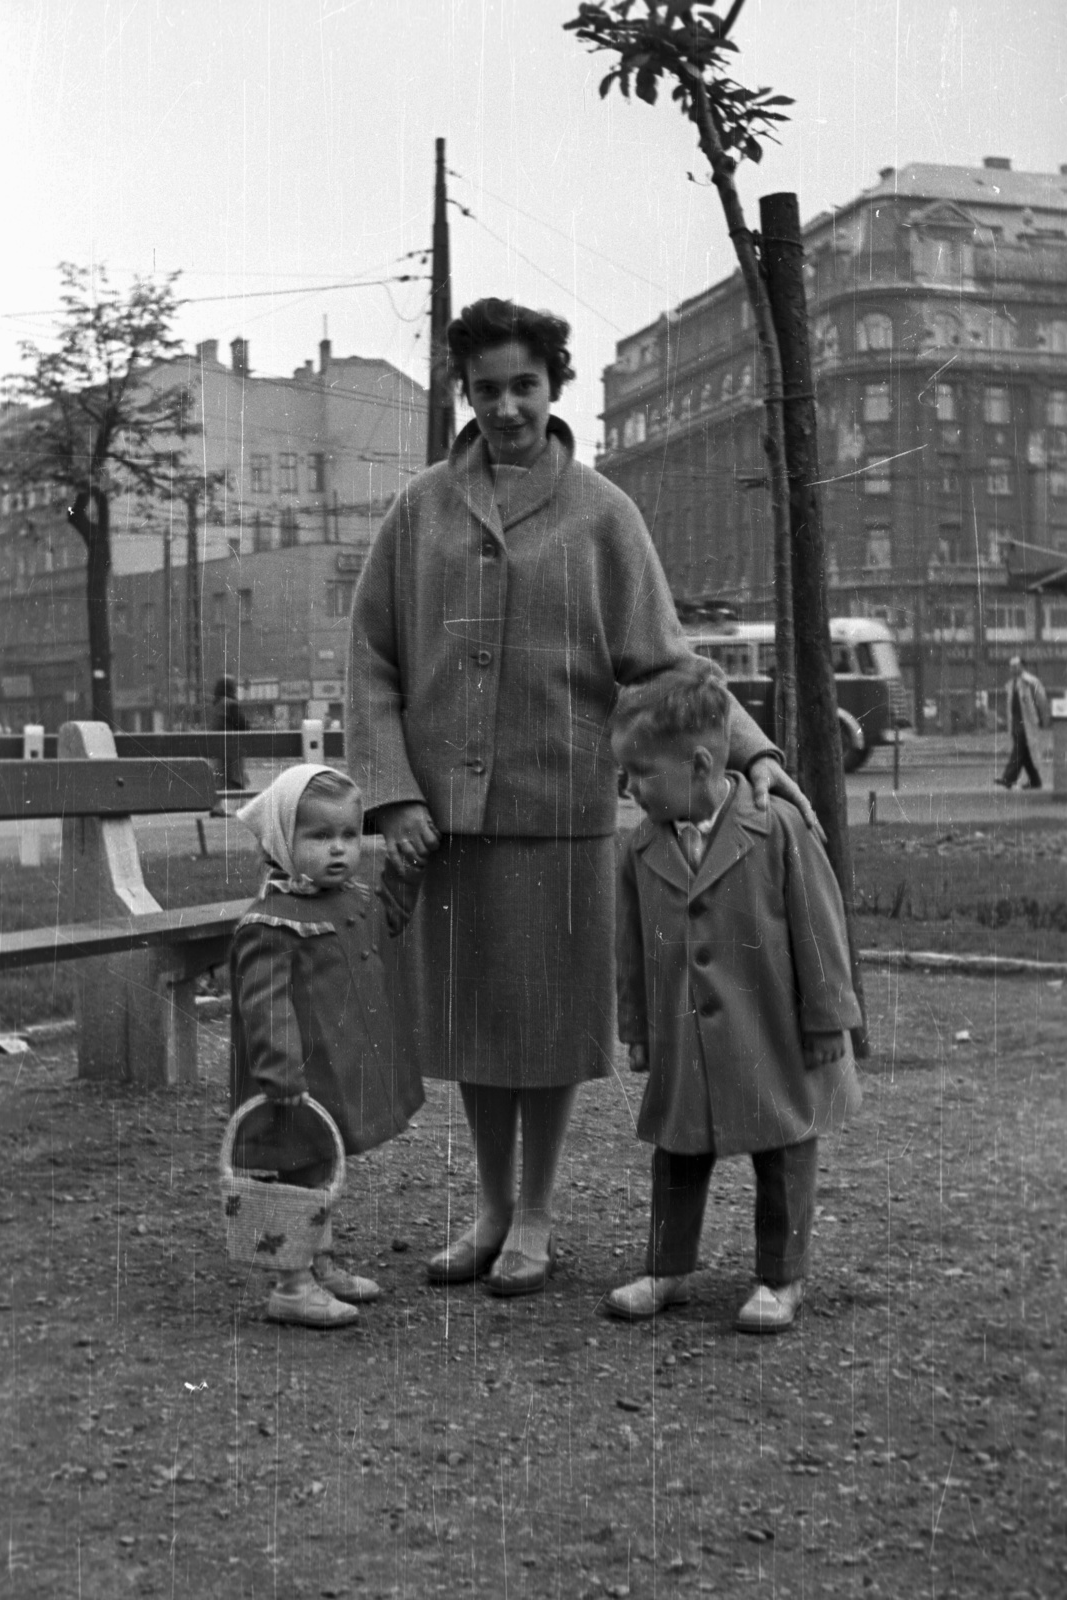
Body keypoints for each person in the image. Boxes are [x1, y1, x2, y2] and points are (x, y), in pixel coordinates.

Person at [346, 297, 816, 1298]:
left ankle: (536, 1213)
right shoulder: (419, 511)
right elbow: (371, 660)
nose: (505, 407)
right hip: (444, 822)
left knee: (548, 1025)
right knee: (476, 1026)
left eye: (524, 385)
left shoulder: (603, 513)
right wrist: (391, 795)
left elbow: (665, 663)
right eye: (485, 389)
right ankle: (487, 1208)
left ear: (553, 384)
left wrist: (752, 751)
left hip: (559, 813)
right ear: (464, 395)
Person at [607, 663, 863, 1330]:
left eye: (639, 772)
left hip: (770, 1031)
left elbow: (820, 928)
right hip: (684, 1037)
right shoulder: (640, 847)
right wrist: (637, 1027)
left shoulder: (778, 827)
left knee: (784, 1150)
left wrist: (829, 1019)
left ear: (698, 764)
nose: (626, 787)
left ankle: (781, 1277)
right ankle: (666, 1267)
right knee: (676, 1150)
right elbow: (631, 948)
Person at [230, 764, 423, 1327]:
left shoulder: (348, 899)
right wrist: (280, 1072)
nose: (339, 849)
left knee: (319, 1169)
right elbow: (265, 1006)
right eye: (319, 836)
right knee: (296, 1176)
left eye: (348, 835)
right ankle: (291, 1286)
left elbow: (388, 920)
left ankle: (319, 1263)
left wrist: (405, 874)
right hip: (292, 1078)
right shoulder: (271, 922)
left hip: (328, 1070)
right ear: (279, 840)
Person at [995, 656, 1049, 790]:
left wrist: (1044, 718)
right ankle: (1035, 781)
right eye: (1011, 666)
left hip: (1027, 724)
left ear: (1022, 666)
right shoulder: (1011, 684)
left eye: (1015, 666)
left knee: (1019, 751)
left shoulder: (1030, 682)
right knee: (1025, 754)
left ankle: (1008, 778)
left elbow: (1041, 700)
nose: (1012, 669)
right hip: (1015, 725)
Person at [210, 675, 248, 790]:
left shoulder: (216, 706)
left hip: (218, 758)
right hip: (232, 757)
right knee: (235, 787)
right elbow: (244, 726)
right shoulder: (231, 705)